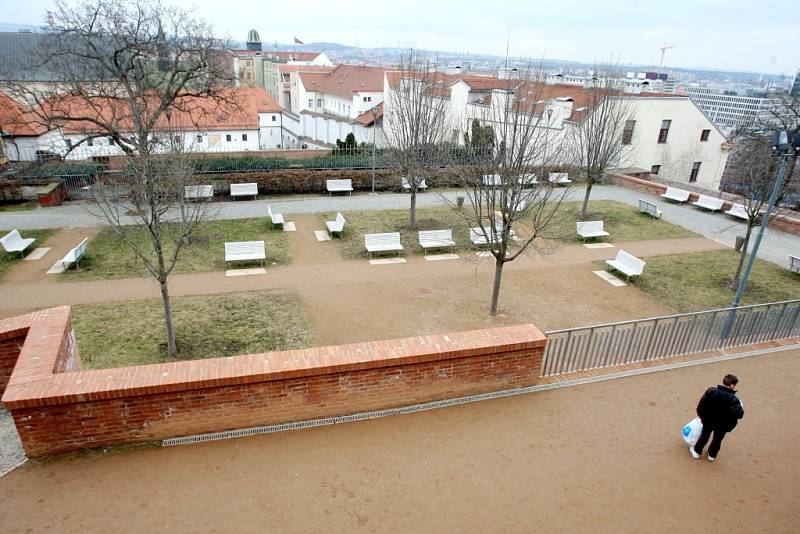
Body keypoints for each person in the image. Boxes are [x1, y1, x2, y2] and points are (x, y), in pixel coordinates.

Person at [690, 374, 744, 462]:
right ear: (732, 385)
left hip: (708, 420)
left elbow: (702, 404)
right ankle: (712, 455)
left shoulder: (711, 391)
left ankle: (697, 452)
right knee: (718, 439)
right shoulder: (734, 399)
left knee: (704, 435)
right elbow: (740, 415)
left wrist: (700, 414)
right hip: (723, 424)